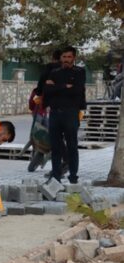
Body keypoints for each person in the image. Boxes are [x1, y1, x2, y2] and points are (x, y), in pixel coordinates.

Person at [44, 46, 86, 184]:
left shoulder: (80, 72)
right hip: (55, 114)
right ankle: (56, 177)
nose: (66, 60)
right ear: (60, 58)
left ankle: (73, 177)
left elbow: (77, 91)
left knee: (72, 146)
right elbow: (47, 91)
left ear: (74, 58)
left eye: (69, 57)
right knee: (55, 147)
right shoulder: (54, 72)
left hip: (71, 113)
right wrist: (64, 86)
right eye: (64, 57)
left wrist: (56, 87)